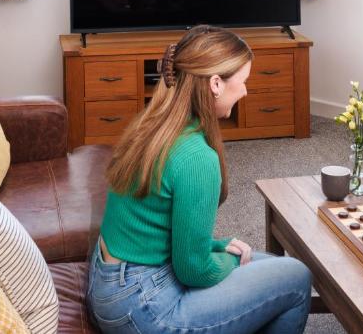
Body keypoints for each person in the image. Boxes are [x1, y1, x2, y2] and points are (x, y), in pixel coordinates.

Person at [88, 25, 312, 333]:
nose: (246, 91)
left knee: (266, 263)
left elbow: (158, 227)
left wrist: (217, 246)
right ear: (216, 84)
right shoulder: (197, 158)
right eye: (243, 82)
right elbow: (194, 270)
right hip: (143, 307)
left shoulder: (152, 124)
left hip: (111, 283)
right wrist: (230, 262)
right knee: (296, 277)